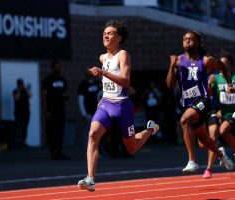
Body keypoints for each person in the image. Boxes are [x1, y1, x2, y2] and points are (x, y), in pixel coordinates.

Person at [77, 19, 159, 192]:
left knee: (131, 148)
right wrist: (100, 79)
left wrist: (103, 72)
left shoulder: (123, 55)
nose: (105, 35)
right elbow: (107, 81)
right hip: (106, 104)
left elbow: (126, 82)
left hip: (122, 106)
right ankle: (90, 178)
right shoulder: (102, 57)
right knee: (93, 135)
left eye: (110, 33)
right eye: (104, 33)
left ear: (119, 38)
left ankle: (150, 130)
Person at [166, 30, 234, 173]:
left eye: (190, 39)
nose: (187, 41)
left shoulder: (205, 60)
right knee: (205, 141)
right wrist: (171, 67)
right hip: (189, 104)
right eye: (184, 39)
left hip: (203, 100)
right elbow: (170, 86)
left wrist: (229, 84)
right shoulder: (178, 61)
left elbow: (224, 68)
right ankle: (222, 156)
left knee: (184, 120)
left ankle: (193, 161)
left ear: (198, 42)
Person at [203, 50, 235, 178]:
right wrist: (210, 84)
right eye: (221, 63)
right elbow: (209, 96)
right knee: (209, 140)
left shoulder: (233, 77)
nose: (223, 66)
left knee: (223, 131)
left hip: (233, 112)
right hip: (221, 112)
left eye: (226, 64)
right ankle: (210, 168)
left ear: (231, 65)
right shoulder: (215, 78)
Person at [42, 59, 70, 160]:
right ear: (52, 67)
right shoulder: (47, 80)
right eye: (56, 66)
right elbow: (44, 96)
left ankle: (59, 152)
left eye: (59, 66)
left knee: (60, 132)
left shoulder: (62, 80)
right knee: (51, 132)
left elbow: (66, 93)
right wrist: (46, 110)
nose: (58, 68)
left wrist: (64, 95)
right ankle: (53, 152)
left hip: (60, 110)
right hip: (51, 111)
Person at [78, 71, 101, 152]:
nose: (90, 75)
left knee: (96, 133)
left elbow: (99, 95)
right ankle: (87, 151)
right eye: (88, 73)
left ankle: (96, 151)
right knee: (88, 132)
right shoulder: (83, 84)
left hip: (96, 112)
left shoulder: (95, 84)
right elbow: (81, 100)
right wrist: (84, 114)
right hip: (88, 113)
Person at [13, 78, 31, 148]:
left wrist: (25, 89)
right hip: (18, 112)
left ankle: (24, 141)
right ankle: (19, 142)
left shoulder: (25, 91)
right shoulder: (15, 91)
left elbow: (30, 95)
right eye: (20, 84)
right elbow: (17, 98)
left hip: (26, 111)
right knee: (19, 127)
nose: (21, 85)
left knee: (25, 127)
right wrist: (18, 90)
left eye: (21, 84)